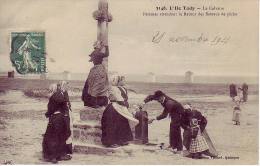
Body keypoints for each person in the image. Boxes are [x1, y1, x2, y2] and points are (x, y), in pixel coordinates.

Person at [101, 75, 138, 147]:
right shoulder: (113, 88)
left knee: (122, 123)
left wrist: (125, 105)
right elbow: (118, 99)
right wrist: (124, 104)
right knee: (112, 125)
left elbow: (121, 99)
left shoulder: (117, 88)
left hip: (118, 107)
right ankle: (111, 142)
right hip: (114, 107)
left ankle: (122, 140)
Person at [42, 83, 72, 163]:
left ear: (52, 90)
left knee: (52, 138)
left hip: (55, 119)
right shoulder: (60, 96)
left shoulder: (53, 97)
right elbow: (65, 106)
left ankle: (52, 157)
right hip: (62, 119)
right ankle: (60, 155)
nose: (49, 91)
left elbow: (51, 109)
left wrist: (47, 114)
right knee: (61, 137)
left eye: (50, 89)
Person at [82, 41, 109, 108]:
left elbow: (92, 59)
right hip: (99, 69)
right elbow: (107, 54)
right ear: (97, 46)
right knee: (97, 86)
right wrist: (106, 46)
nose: (101, 46)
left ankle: (91, 103)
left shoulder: (94, 52)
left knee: (92, 85)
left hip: (94, 69)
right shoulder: (98, 52)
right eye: (100, 45)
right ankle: (94, 103)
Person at [60, 81, 73, 154]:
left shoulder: (65, 93)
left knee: (68, 130)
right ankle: (66, 149)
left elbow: (68, 102)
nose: (68, 87)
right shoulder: (61, 93)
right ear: (63, 86)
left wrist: (69, 107)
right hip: (64, 114)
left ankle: (68, 149)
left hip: (67, 113)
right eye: (66, 86)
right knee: (66, 131)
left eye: (68, 86)